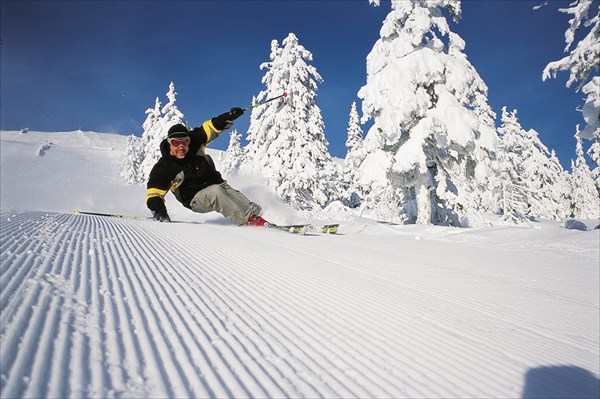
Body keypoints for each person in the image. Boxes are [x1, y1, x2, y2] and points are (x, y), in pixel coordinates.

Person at [146, 107, 266, 226]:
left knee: (230, 194)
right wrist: (159, 212)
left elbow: (211, 127)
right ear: (169, 143)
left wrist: (229, 116)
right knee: (216, 192)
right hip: (194, 198)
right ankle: (248, 221)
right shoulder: (164, 167)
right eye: (176, 143)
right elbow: (154, 194)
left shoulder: (195, 142)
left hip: (217, 184)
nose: (181, 146)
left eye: (185, 142)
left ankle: (259, 215)